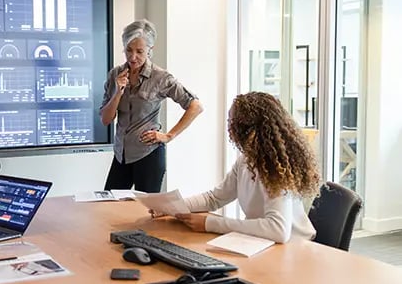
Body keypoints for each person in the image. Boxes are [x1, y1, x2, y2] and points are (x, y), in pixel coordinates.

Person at [167, 91, 320, 243]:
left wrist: (210, 223)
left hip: (296, 247)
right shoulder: (246, 161)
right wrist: (172, 207)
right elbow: (215, 198)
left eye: (230, 122)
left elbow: (278, 230)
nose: (229, 129)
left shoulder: (277, 169)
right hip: (265, 243)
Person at [100, 19, 203, 193]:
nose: (133, 57)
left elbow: (196, 106)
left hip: (148, 154)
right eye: (129, 50)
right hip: (121, 155)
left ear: (150, 50)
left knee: (147, 212)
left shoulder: (161, 77)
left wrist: (169, 136)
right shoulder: (114, 75)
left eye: (139, 51)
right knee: (107, 203)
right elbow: (106, 119)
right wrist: (118, 92)